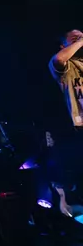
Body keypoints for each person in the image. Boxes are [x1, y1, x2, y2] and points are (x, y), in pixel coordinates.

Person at [48, 29, 83, 220]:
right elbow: (59, 59)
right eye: (74, 38)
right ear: (64, 45)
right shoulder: (66, 65)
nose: (80, 39)